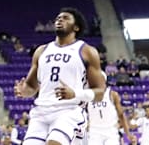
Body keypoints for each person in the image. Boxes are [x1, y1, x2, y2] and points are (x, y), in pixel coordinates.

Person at [14, 8, 106, 145]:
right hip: (41, 111)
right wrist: (24, 91)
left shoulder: (87, 51)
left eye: (65, 18)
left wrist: (75, 93)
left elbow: (100, 92)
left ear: (76, 27)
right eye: (58, 18)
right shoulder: (41, 51)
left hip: (68, 111)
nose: (60, 20)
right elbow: (32, 86)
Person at [84, 72, 133, 145]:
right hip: (94, 131)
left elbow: (121, 115)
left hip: (110, 131)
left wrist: (128, 133)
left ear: (104, 80)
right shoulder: (88, 94)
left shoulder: (112, 94)